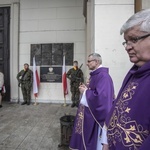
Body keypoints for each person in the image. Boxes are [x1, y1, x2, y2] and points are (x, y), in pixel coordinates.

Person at [104, 9, 150, 150]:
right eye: (126, 42)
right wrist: (106, 142)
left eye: (134, 39)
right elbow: (117, 107)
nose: (128, 47)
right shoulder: (134, 71)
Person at [69, 53, 114, 150]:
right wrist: (87, 88)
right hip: (90, 113)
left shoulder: (103, 76)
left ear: (96, 62)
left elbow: (101, 98)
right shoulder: (96, 74)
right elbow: (95, 91)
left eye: (89, 61)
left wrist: (85, 92)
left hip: (96, 117)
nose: (87, 63)